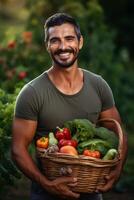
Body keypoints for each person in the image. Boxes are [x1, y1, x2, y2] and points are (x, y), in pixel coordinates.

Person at [11, 13, 127, 200]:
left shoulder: (98, 85)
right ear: (47, 45)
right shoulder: (32, 92)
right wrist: (47, 185)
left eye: (69, 38)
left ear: (80, 42)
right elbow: (18, 149)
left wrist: (117, 169)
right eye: (55, 40)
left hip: (91, 192)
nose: (63, 46)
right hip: (45, 195)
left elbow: (117, 131)